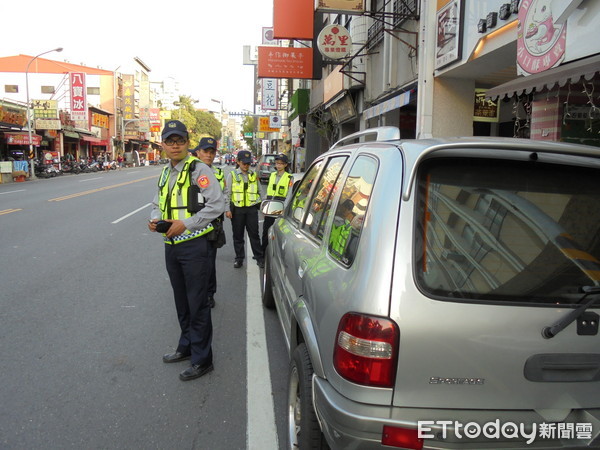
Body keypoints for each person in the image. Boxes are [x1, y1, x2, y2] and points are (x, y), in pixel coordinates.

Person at [148, 120, 226, 382]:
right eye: (170, 141)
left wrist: (187, 224)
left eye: (179, 140)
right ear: (163, 145)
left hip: (194, 245)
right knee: (181, 302)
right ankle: (186, 346)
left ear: (187, 143)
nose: (175, 145)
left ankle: (203, 359)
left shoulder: (199, 169)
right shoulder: (164, 172)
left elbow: (217, 204)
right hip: (171, 245)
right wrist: (154, 218)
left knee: (197, 303)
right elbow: (158, 202)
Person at [191, 137, 225, 308]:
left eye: (212, 152)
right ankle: (195, 293)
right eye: (206, 151)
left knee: (209, 263)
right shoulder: (190, 172)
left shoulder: (218, 173)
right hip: (192, 224)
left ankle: (209, 294)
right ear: (198, 152)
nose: (209, 155)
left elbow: (223, 195)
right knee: (194, 263)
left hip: (212, 225)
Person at [224, 150, 264, 268]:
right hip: (237, 210)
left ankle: (259, 257)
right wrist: (227, 209)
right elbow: (227, 194)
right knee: (238, 235)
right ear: (238, 162)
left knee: (254, 235)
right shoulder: (232, 175)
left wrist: (264, 208)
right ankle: (239, 258)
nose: (246, 166)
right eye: (244, 163)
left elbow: (260, 191)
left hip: (251, 209)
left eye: (248, 163)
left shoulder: (253, 175)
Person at [261, 153, 292, 252]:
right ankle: (263, 252)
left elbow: (289, 195)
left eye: (281, 164)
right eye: (277, 163)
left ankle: (277, 252)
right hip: (270, 207)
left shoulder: (289, 177)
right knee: (266, 231)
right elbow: (268, 191)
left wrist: (284, 209)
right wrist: (264, 206)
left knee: (278, 232)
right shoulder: (272, 175)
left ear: (285, 165)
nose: (278, 165)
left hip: (280, 207)